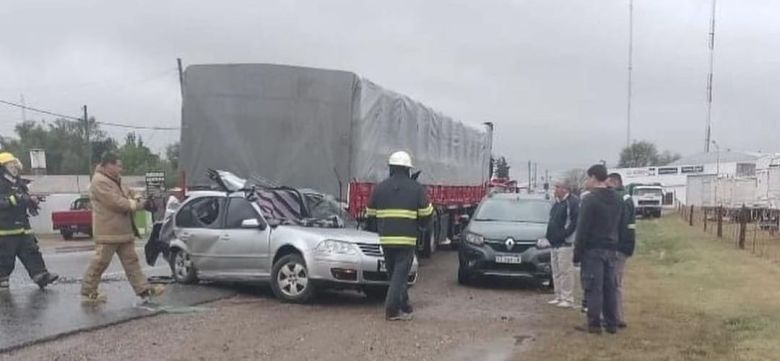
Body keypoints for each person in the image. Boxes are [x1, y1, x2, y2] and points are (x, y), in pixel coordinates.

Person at [81, 153, 164, 303]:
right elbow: (117, 203)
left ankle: (143, 290)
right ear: (108, 165)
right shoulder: (99, 182)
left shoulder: (115, 179)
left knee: (132, 261)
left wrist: (141, 198)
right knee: (100, 263)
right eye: (118, 165)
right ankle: (88, 292)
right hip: (108, 232)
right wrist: (140, 205)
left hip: (123, 231)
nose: (121, 168)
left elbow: (128, 192)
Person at [365, 151, 433, 321]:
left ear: (391, 169)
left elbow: (370, 214)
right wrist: (422, 227)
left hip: (386, 239)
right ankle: (392, 310)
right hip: (406, 240)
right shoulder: (417, 188)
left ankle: (405, 305)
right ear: (408, 169)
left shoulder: (379, 188)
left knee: (394, 274)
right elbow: (427, 214)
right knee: (399, 275)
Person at [573, 164, 627, 334]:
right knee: (610, 287)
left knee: (593, 288)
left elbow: (582, 229)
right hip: (612, 248)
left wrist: (577, 253)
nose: (587, 181)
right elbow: (621, 224)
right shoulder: (618, 198)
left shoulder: (590, 199)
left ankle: (594, 324)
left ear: (594, 178)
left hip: (593, 249)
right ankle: (611, 323)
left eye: (588, 178)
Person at [0, 152, 59, 291]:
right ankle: (2, 281)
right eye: (10, 164)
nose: (14, 167)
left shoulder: (19, 183)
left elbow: (23, 198)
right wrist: (16, 199)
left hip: (23, 228)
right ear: (2, 167)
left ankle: (41, 275)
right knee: (5, 258)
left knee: (32, 252)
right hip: (4, 230)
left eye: (15, 164)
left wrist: (32, 201)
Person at [544, 181, 579, 308]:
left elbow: (574, 222)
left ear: (565, 189)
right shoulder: (556, 203)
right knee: (556, 271)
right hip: (554, 242)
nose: (555, 190)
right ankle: (558, 295)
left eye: (558, 187)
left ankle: (568, 298)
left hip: (565, 243)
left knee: (566, 271)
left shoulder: (572, 202)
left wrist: (564, 234)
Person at [607, 173, 636, 329]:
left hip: (619, 247)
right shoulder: (626, 198)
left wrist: (620, 246)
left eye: (608, 183)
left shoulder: (621, 199)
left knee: (614, 283)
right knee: (614, 282)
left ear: (615, 182)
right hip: (623, 245)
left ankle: (617, 317)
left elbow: (622, 225)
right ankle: (616, 316)